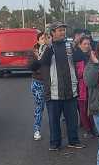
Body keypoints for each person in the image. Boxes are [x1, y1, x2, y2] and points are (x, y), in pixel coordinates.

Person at [35, 22, 85, 151]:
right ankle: (55, 143)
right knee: (54, 121)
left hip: (70, 90)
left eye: (64, 30)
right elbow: (41, 62)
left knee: (72, 120)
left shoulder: (69, 46)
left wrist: (78, 45)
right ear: (52, 32)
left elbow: (80, 57)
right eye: (60, 30)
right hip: (53, 91)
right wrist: (48, 46)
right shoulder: (46, 47)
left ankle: (73, 140)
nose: (63, 32)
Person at [28, 33, 50, 141]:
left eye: (46, 38)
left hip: (51, 83)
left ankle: (55, 131)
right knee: (39, 107)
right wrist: (39, 56)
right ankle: (37, 129)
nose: (44, 40)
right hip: (38, 83)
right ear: (38, 41)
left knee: (53, 107)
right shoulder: (33, 52)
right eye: (42, 38)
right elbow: (31, 67)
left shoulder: (52, 50)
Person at [73, 36, 96, 138]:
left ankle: (92, 128)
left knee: (92, 109)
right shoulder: (76, 56)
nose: (87, 46)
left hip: (92, 87)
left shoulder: (92, 55)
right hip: (81, 87)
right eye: (85, 44)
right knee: (83, 109)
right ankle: (88, 129)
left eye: (88, 44)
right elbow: (78, 73)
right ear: (79, 45)